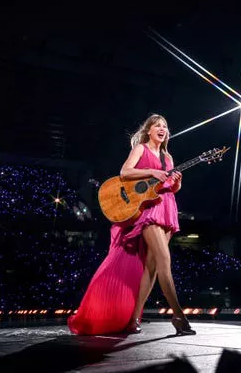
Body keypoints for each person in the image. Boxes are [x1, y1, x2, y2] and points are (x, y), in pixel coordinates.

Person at [67, 114, 196, 336]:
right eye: (157, 125)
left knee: (153, 266)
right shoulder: (141, 149)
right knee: (165, 260)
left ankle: (134, 318)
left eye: (165, 125)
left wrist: (177, 184)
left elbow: (168, 187)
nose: (162, 128)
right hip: (148, 209)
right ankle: (179, 316)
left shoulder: (168, 157)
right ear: (148, 130)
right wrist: (152, 171)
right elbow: (125, 172)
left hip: (167, 207)